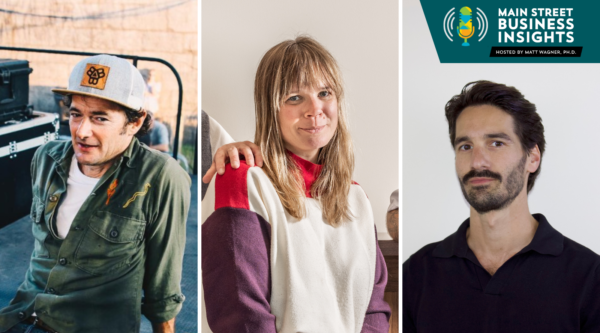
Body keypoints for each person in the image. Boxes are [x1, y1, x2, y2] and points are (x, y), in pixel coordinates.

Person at [201, 36, 391, 333]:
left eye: (324, 93)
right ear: (270, 108)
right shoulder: (242, 180)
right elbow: (241, 315)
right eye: (294, 97)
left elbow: (374, 310)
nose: (314, 109)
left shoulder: (356, 197)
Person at [0, 54, 191, 333]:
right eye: (76, 114)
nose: (81, 131)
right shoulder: (46, 158)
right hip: (21, 315)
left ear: (135, 123)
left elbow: (163, 286)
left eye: (99, 118)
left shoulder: (160, 176)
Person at [403, 81, 600, 332]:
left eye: (496, 143)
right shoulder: (418, 273)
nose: (477, 161)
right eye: (465, 146)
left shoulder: (589, 276)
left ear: (532, 157)